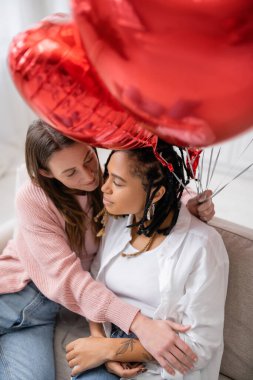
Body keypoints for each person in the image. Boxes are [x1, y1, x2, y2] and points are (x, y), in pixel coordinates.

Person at [0, 119, 215, 380]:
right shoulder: (32, 198)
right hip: (13, 296)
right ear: (47, 173)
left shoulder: (106, 187)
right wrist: (139, 324)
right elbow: (70, 279)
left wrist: (189, 203)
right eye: (71, 173)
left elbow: (151, 184)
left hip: (43, 315)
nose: (89, 175)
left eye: (89, 158)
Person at [66, 142, 229, 380]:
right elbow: (94, 288)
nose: (105, 188)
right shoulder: (118, 222)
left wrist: (110, 349)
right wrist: (100, 342)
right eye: (107, 174)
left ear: (157, 192)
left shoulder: (203, 246)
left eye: (118, 182)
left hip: (162, 369)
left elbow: (200, 349)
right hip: (109, 347)